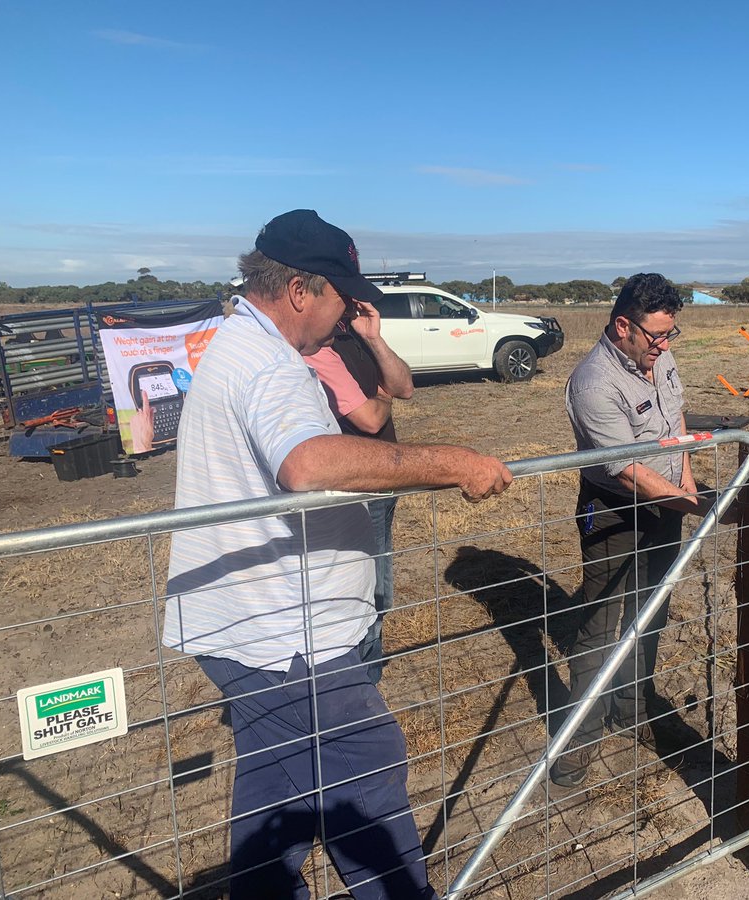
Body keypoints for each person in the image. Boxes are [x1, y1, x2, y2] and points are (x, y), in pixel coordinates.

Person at [163, 209, 511, 899]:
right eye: (338, 296)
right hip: (287, 635)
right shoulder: (268, 366)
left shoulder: (242, 345)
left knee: (277, 797)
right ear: (299, 290)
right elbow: (307, 462)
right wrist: (454, 461)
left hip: (256, 628)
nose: (346, 312)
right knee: (367, 770)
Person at [554, 272, 719, 789]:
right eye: (656, 336)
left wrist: (687, 483)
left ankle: (633, 710)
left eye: (671, 335)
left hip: (668, 503)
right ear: (622, 324)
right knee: (602, 624)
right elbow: (628, 471)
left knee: (652, 611)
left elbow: (677, 422)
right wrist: (693, 506)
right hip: (615, 512)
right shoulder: (593, 383)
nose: (665, 347)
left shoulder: (659, 355)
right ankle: (578, 740)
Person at [305, 301, 414, 684]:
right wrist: (382, 397)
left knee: (377, 574)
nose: (348, 309)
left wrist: (374, 338)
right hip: (358, 485)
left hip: (383, 478)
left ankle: (369, 666)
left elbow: (405, 385)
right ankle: (364, 675)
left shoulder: (353, 337)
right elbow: (369, 419)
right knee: (370, 584)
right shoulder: (316, 351)